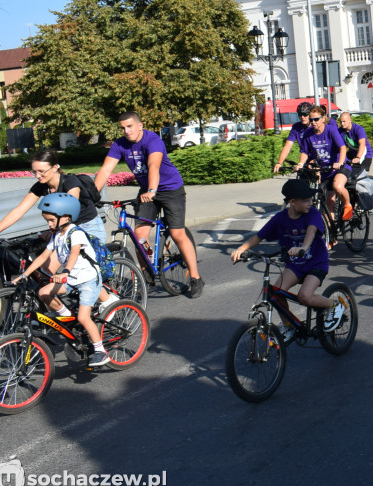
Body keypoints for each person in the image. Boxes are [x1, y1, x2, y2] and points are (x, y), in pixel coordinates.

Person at [93, 112, 202, 298]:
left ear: (140, 125)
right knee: (140, 236)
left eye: (130, 126)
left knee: (177, 233)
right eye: (122, 128)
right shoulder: (120, 144)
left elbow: (153, 166)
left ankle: (195, 277)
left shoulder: (153, 141)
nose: (126, 131)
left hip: (169, 189)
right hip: (146, 192)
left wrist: (152, 190)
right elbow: (106, 169)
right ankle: (148, 279)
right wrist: (92, 195)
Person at [230, 179, 344, 339]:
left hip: (316, 263)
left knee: (305, 297)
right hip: (295, 265)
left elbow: (311, 232)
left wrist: (303, 248)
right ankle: (289, 325)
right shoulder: (280, 219)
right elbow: (259, 236)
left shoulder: (313, 214)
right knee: (276, 294)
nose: (310, 203)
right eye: (305, 200)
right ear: (292, 202)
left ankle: (335, 305)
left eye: (311, 199)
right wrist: (241, 249)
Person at [16, 193, 116, 367]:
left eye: (51, 221)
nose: (49, 224)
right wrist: (24, 275)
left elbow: (74, 254)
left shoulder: (75, 234)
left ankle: (101, 351)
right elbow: (43, 257)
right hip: (71, 279)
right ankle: (67, 320)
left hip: (87, 279)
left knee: (84, 317)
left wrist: (66, 272)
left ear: (66, 217)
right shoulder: (57, 235)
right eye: (47, 220)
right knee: (43, 292)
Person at [0, 149, 108, 245]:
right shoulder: (41, 186)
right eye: (34, 172)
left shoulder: (71, 182)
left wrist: (54, 231)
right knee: (46, 269)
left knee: (86, 270)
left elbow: (71, 208)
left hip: (87, 227)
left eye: (41, 171)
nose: (37, 175)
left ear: (55, 168)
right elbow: (19, 210)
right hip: (63, 228)